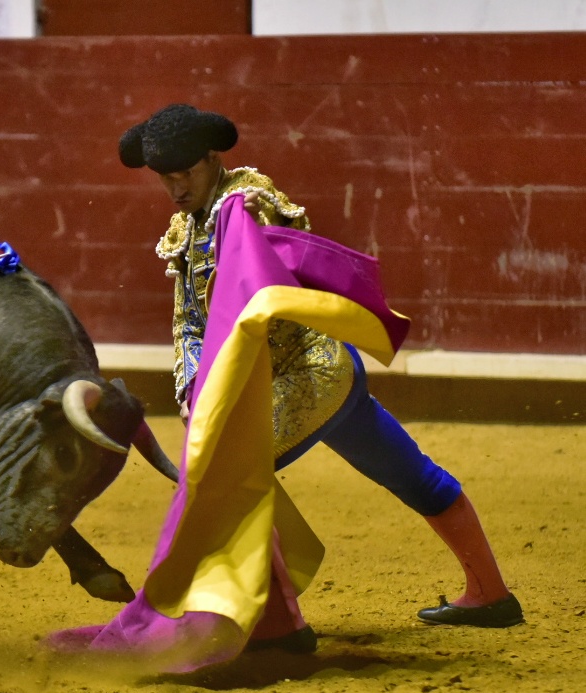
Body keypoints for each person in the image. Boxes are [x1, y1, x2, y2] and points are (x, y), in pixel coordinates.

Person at [113, 103, 522, 648]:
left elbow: (283, 234)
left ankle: (281, 627)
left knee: (223, 476)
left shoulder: (245, 197)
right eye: (166, 179)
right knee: (410, 473)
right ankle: (491, 594)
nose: (176, 188)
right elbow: (190, 321)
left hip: (305, 376)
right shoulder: (186, 230)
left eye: (185, 174)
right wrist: (192, 387)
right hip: (327, 373)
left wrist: (268, 221)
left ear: (213, 160)